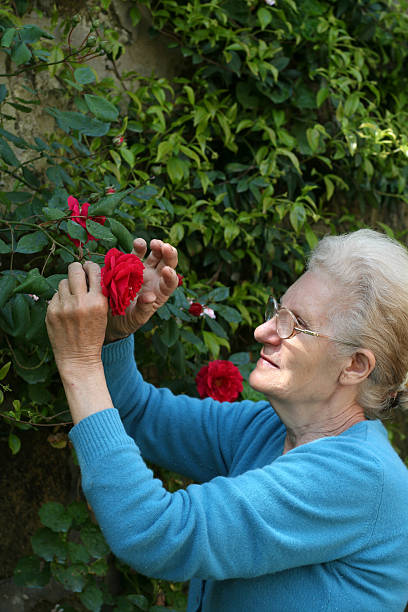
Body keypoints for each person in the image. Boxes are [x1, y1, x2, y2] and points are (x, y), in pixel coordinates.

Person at [45, 230, 408, 612]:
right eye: (276, 311)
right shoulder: (267, 428)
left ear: (355, 366)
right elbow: (138, 413)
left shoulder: (359, 478)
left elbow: (157, 533)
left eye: (295, 324)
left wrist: (80, 364)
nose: (263, 331)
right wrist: (114, 334)